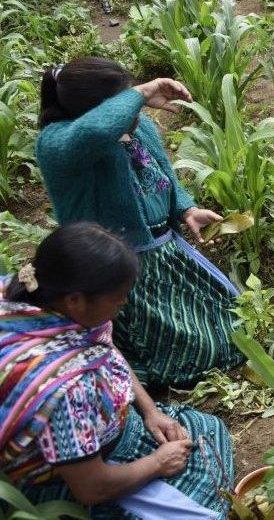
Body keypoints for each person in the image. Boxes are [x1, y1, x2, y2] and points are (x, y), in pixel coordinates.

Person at [0, 223, 234, 520]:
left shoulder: (36, 297)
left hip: (103, 435)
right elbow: (91, 487)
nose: (123, 305)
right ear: (76, 300)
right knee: (200, 519)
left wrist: (150, 412)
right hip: (77, 481)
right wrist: (157, 463)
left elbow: (106, 350)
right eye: (119, 298)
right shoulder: (65, 388)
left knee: (207, 430)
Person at [35, 57, 243, 387]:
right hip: (120, 271)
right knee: (195, 355)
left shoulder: (138, 128)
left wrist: (185, 210)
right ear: (99, 111)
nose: (136, 110)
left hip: (168, 252)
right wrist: (142, 92)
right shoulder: (59, 144)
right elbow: (94, 131)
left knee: (236, 322)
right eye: (126, 102)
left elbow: (164, 175)